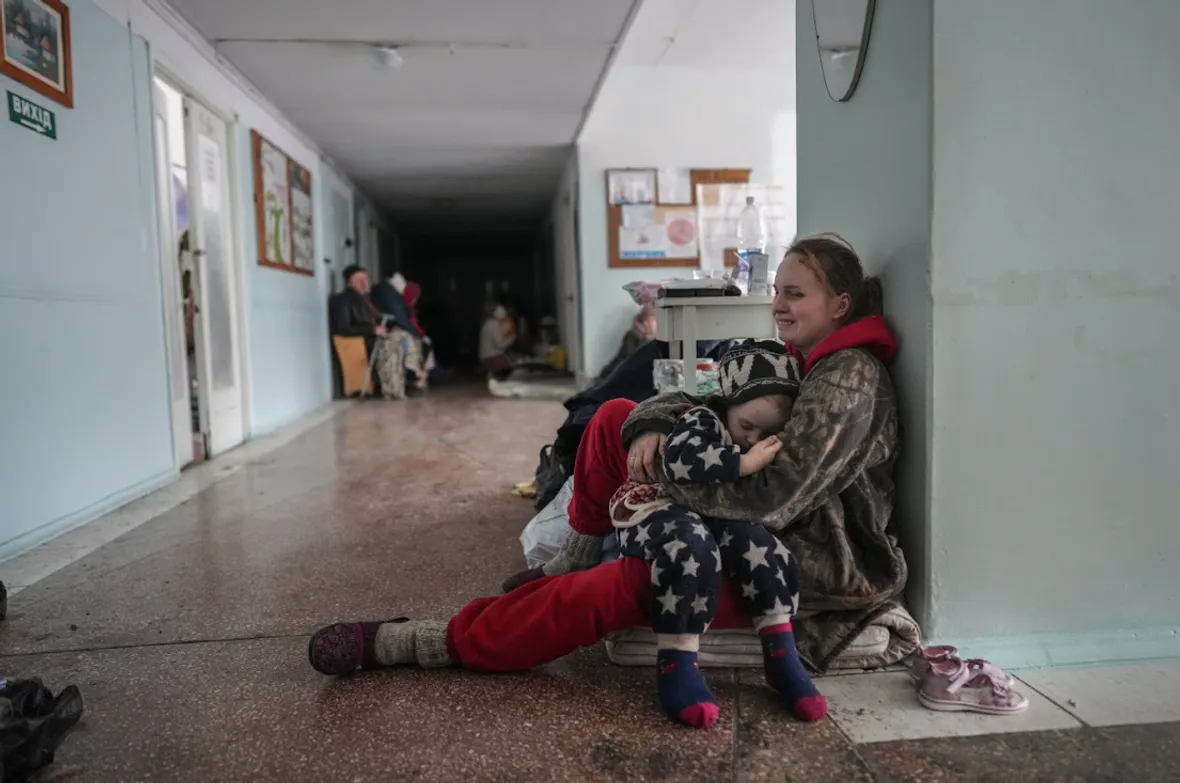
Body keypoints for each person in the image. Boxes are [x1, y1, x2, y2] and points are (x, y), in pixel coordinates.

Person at [307, 234, 907, 724]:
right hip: (735, 509)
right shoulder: (798, 357)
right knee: (616, 416)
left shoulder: (847, 378)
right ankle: (572, 555)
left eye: (795, 294)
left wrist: (663, 480)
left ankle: (430, 641)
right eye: (777, 291)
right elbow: (705, 395)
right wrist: (652, 424)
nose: (778, 305)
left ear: (840, 305)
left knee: (604, 592)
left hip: (802, 555)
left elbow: (774, 499)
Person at [605, 339, 823, 727]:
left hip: (709, 513)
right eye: (746, 426)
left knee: (761, 544)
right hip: (654, 508)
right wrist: (744, 463)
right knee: (691, 544)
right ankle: (677, 661)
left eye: (767, 432)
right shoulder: (703, 419)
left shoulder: (760, 434)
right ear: (726, 408)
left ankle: (781, 654)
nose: (752, 439)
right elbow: (680, 460)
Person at [597, 305, 658, 381]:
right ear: (645, 321)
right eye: (655, 320)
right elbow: (624, 362)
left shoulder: (661, 339)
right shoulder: (632, 337)